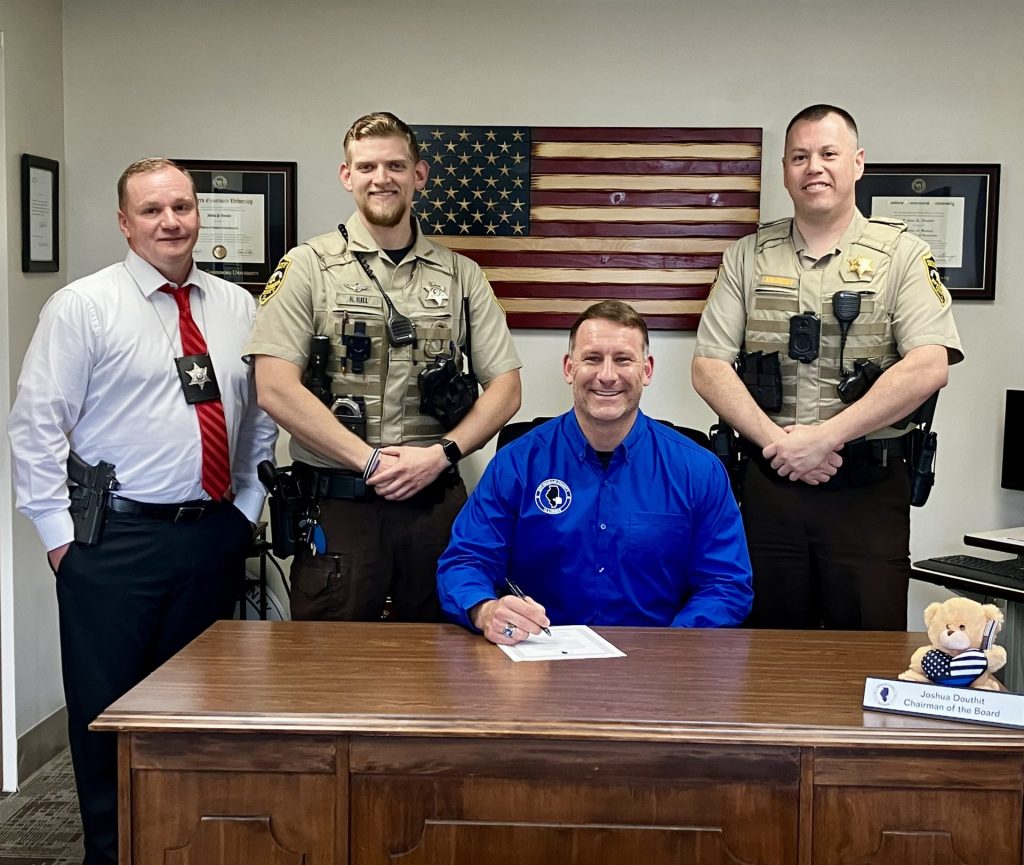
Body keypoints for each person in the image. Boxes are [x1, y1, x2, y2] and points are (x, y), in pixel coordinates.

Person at [7, 157, 278, 865]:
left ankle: (186, 846)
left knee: (200, 712)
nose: (171, 222)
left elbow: (259, 418)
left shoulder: (238, 307)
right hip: (112, 543)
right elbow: (35, 426)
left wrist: (245, 508)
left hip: (212, 535)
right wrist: (61, 540)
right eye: (152, 210)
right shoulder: (83, 306)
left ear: (199, 214)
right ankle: (109, 853)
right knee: (107, 717)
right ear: (125, 223)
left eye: (182, 207)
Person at [692, 104, 964, 631]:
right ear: (785, 171)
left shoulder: (903, 255)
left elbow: (929, 365)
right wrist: (781, 444)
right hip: (770, 486)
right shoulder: (747, 257)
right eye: (800, 157)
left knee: (867, 646)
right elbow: (708, 366)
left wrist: (824, 438)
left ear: (857, 162)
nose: (813, 167)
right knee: (767, 648)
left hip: (868, 487)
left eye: (828, 153)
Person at [247, 111, 521, 622]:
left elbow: (506, 387)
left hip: (433, 503)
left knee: (443, 652)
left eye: (395, 166)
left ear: (419, 175)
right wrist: (368, 461)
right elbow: (275, 387)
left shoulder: (461, 276)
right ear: (346, 175)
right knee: (330, 658)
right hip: (339, 503)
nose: (382, 179)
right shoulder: (307, 267)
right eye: (367, 167)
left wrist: (441, 455)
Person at [438, 300, 752, 643]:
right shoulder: (516, 464)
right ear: (569, 368)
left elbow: (726, 584)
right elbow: (465, 561)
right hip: (538, 653)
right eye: (592, 358)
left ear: (647, 370)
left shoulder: (699, 471)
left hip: (657, 658)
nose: (607, 375)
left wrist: (671, 646)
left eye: (623, 359)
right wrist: (485, 610)